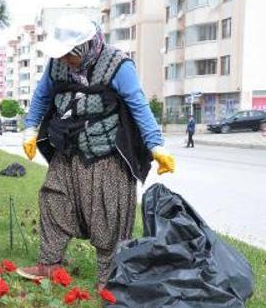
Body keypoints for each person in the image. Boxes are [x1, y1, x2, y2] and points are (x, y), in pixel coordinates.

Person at [17, 15, 175, 291]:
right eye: (62, 54)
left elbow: (138, 105)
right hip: (69, 150)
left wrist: (156, 146)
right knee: (53, 198)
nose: (65, 59)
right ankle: (50, 264)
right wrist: (30, 129)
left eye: (69, 54)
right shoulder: (57, 65)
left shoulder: (118, 65)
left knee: (108, 212)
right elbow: (42, 96)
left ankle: (108, 280)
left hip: (108, 154)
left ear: (86, 46)